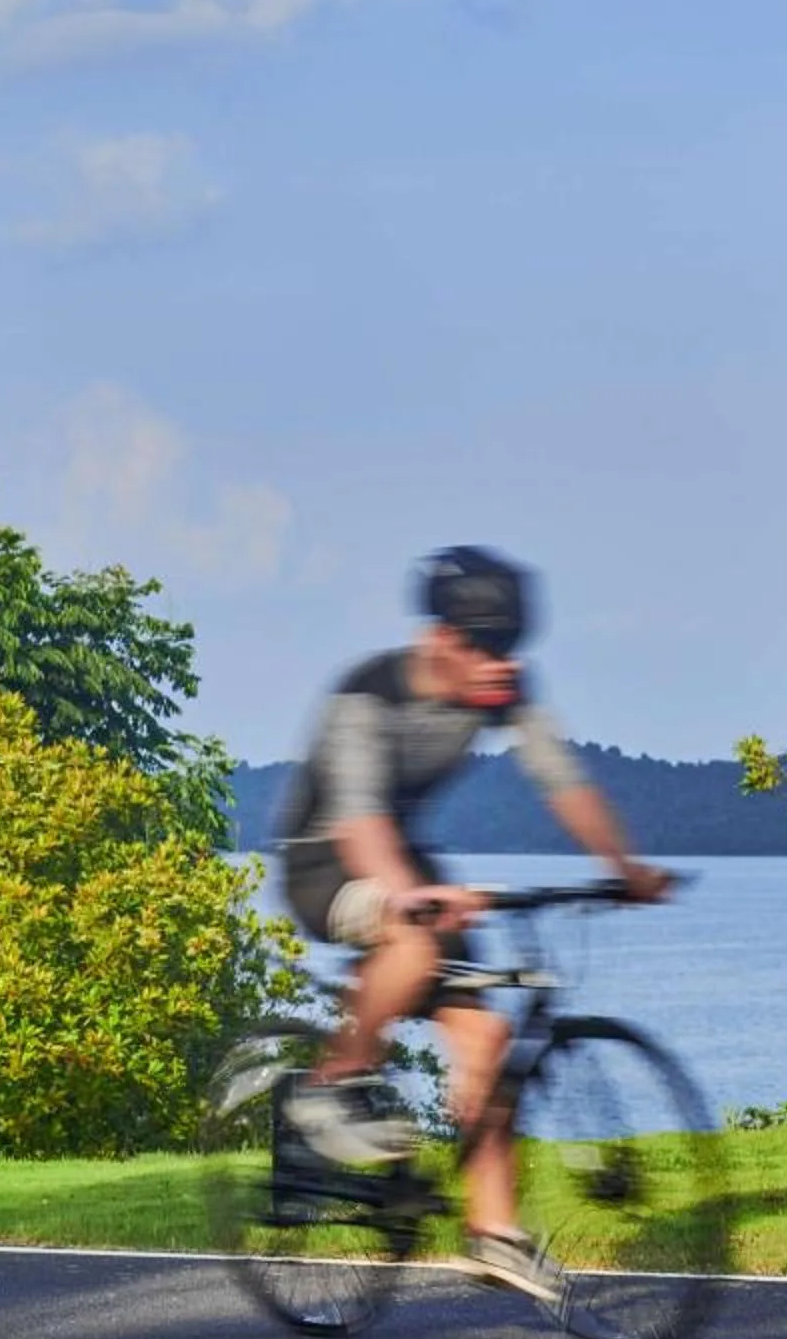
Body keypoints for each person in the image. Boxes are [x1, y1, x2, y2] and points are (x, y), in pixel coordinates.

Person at [269, 545, 672, 1297]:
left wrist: (626, 868)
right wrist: (402, 894)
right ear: (443, 640)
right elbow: (359, 822)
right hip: (324, 858)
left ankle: (493, 1235)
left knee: (487, 1036)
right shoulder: (368, 696)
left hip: (406, 862)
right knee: (416, 945)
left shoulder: (505, 688)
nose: (502, 667)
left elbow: (565, 784)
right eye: (487, 648)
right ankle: (328, 1083)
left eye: (513, 649)